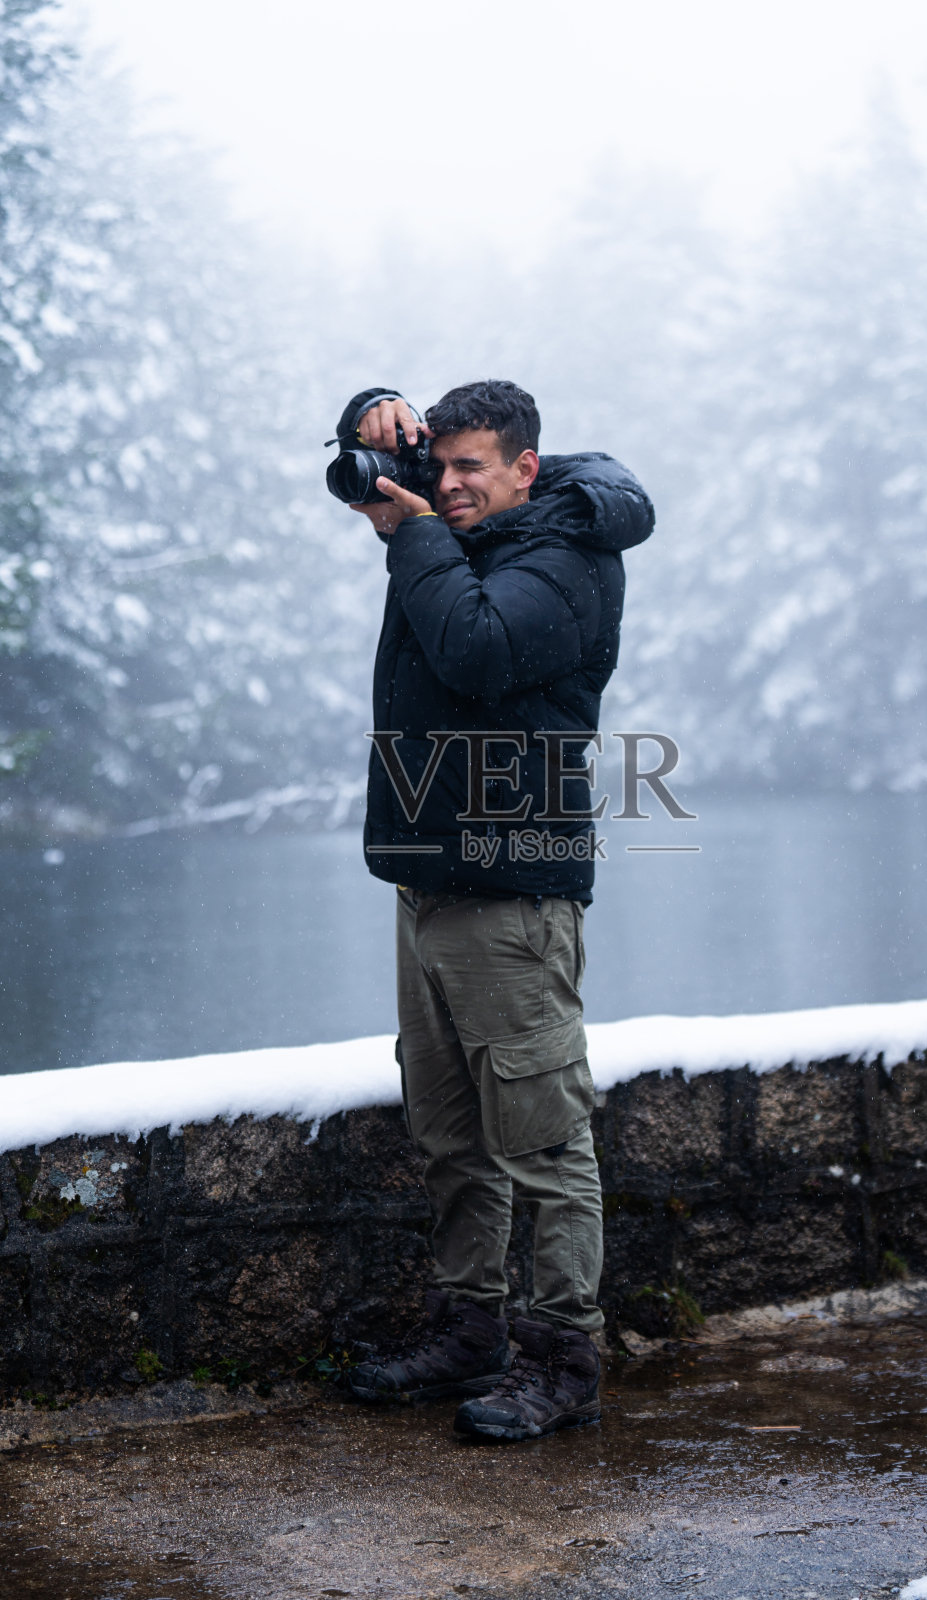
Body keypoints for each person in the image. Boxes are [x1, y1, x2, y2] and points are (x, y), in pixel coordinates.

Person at [341, 380, 654, 1441]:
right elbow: (368, 474)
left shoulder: (565, 560)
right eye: (441, 464)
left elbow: (476, 653)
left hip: (512, 885)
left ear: (527, 467)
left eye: (472, 468)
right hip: (427, 878)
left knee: (541, 1140)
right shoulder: (462, 534)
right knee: (446, 1132)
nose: (449, 484)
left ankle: (562, 1356)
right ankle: (469, 1331)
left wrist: (415, 535)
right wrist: (370, 414)